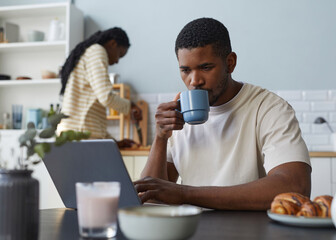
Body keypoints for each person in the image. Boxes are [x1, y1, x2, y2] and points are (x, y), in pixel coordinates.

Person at [134, 18, 311, 210]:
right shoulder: (178, 116)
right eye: (185, 70)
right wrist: (161, 137)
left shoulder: (268, 108)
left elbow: (295, 187)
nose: (194, 81)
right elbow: (150, 197)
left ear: (230, 63)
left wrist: (185, 194)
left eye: (205, 68)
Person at [57, 27, 142, 148]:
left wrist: (115, 143)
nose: (117, 61)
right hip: (78, 137)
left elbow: (91, 117)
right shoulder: (97, 51)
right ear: (113, 43)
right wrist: (131, 106)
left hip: (74, 136)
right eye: (120, 54)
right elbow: (106, 97)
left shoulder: (89, 54)